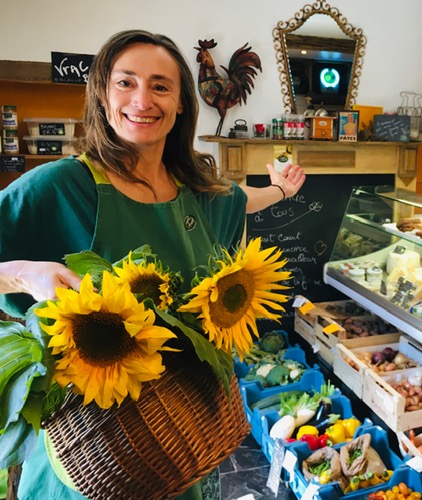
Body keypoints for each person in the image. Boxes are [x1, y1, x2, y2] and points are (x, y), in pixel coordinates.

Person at [0, 29, 304, 499]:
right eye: (126, 82)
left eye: (160, 86)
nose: (143, 99)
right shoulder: (60, 187)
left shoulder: (201, 193)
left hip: (184, 453)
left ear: (182, 102)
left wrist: (283, 189)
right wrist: (25, 273)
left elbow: (246, 199)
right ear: (102, 94)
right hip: (89, 465)